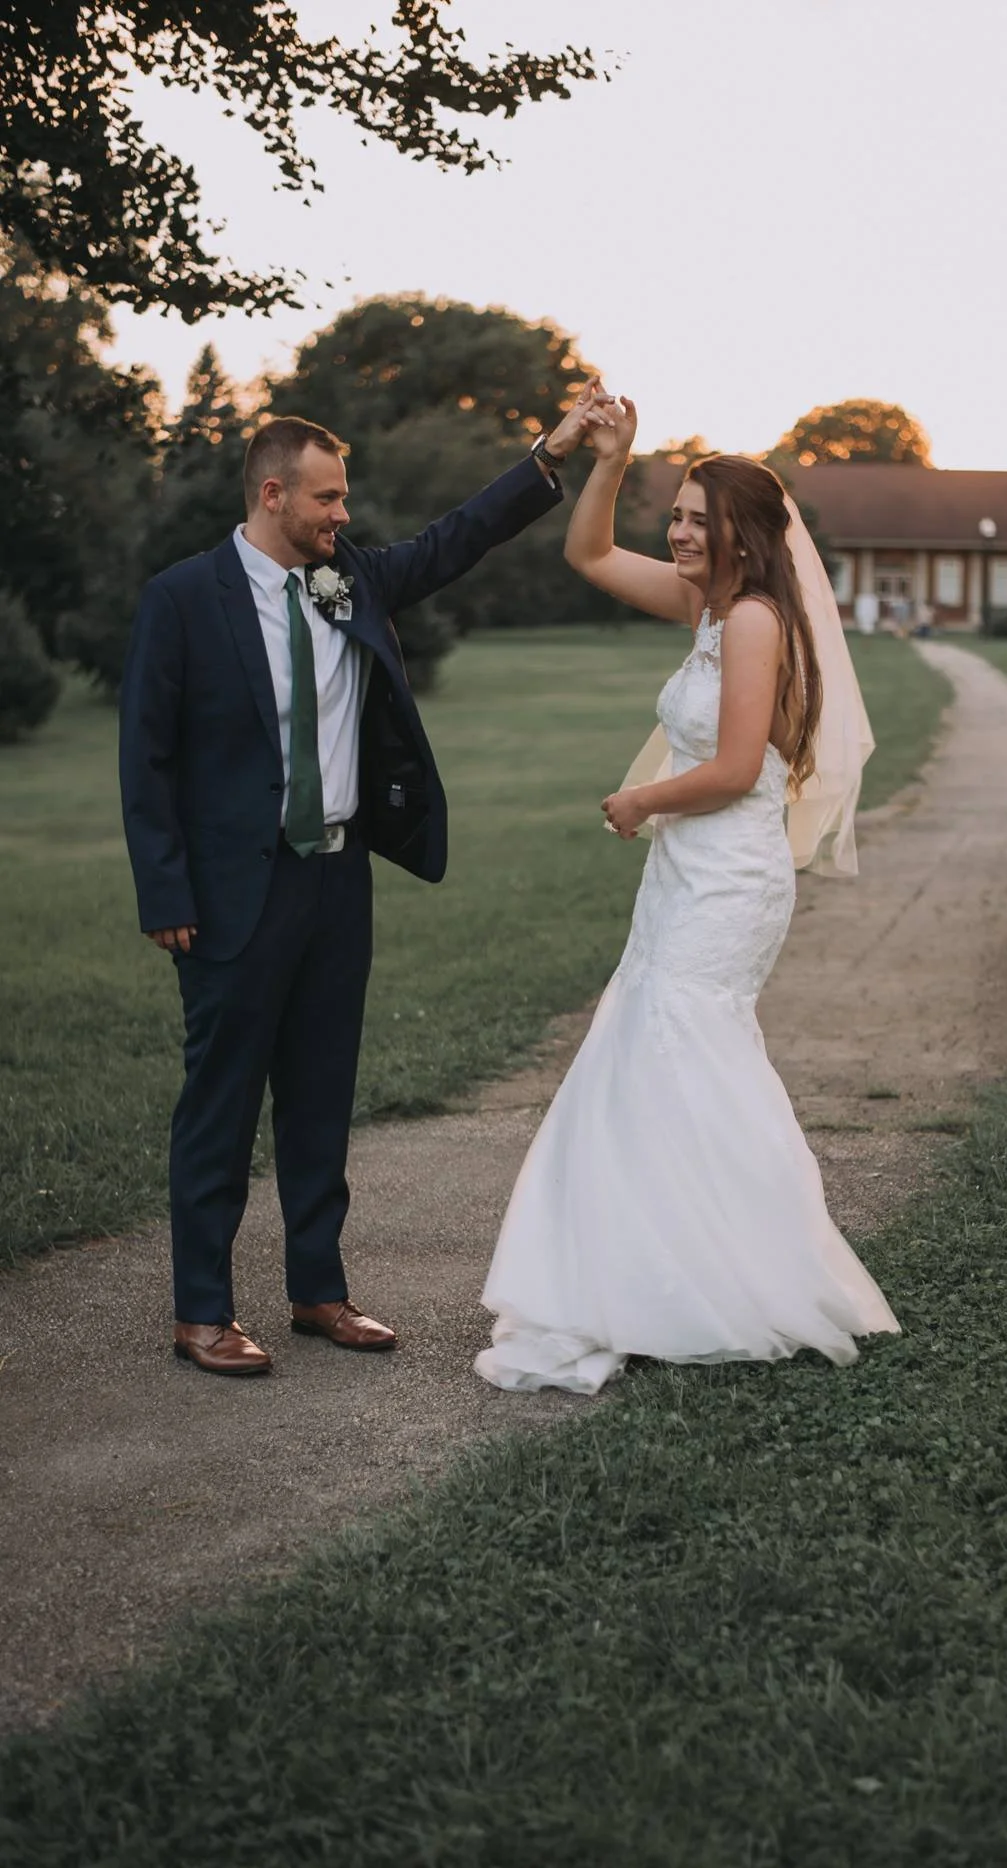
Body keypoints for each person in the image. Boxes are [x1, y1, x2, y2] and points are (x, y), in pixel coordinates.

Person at [120, 396, 600, 1377]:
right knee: (219, 1101)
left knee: (321, 1092)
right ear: (271, 493)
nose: (342, 513)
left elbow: (458, 537)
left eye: (343, 497)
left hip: (338, 880)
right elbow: (147, 756)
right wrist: (164, 891)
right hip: (228, 895)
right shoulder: (182, 598)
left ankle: (317, 1289)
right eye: (326, 496)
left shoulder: (350, 578)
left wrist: (550, 453)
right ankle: (201, 1310)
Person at [473, 384, 899, 1395]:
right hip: (685, 873)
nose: (675, 532)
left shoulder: (751, 621)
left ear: (746, 536)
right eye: (673, 514)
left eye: (696, 520)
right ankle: (653, 1271)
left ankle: (734, 1274)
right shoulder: (705, 607)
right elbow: (583, 556)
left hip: (727, 877)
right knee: (650, 1049)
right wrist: (611, 458)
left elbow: (739, 764)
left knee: (683, 1044)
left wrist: (639, 798)